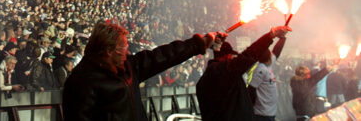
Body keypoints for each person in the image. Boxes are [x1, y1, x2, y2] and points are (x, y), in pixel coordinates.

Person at [62, 19, 217, 120]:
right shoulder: (81, 82)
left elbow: (163, 56)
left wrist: (200, 43)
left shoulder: (128, 67)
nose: (127, 52)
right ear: (109, 51)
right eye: (123, 47)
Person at [196, 26, 291, 121]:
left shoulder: (206, 78)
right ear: (228, 56)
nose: (233, 59)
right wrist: (270, 36)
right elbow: (248, 56)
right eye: (232, 56)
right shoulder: (222, 72)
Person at [249, 32, 288, 121]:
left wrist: (283, 38)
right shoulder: (260, 70)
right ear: (268, 57)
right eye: (271, 54)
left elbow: (277, 51)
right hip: (261, 115)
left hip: (269, 113)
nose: (272, 55)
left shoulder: (267, 66)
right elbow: (251, 90)